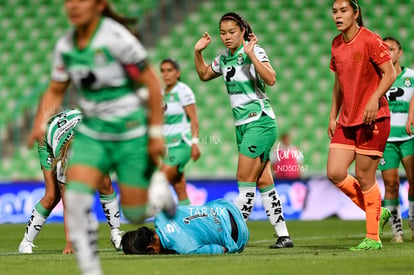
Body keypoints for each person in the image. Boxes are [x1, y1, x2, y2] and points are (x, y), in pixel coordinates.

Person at [27, 1, 174, 274]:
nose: (72, 5)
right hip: (91, 133)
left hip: (125, 130)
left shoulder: (118, 39)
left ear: (99, 5)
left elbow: (152, 83)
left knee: (136, 211)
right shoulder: (66, 46)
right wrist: (38, 123)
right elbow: (56, 89)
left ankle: (159, 192)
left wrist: (155, 133)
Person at [194, 12, 293, 249]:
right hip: (242, 125)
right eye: (223, 33)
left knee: (243, 179)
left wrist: (251, 55)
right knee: (263, 182)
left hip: (259, 121)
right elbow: (204, 74)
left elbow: (271, 79)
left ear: (242, 31)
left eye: (232, 32)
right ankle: (284, 236)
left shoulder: (253, 51)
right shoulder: (223, 59)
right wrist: (198, 53)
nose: (226, 37)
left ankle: (235, 236)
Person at [327, 0, 397, 250]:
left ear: (356, 13)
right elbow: (338, 84)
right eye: (334, 11)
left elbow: (390, 74)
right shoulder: (336, 44)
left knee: (365, 176)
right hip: (347, 119)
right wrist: (332, 115)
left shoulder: (370, 39)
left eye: (343, 11)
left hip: (373, 118)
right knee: (335, 172)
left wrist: (373, 99)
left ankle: (373, 238)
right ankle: (378, 212)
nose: (338, 16)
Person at [19, 109, 123, 254]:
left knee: (104, 184)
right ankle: (26, 242)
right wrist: (70, 243)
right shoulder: (65, 165)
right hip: (46, 132)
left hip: (75, 117)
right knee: (52, 196)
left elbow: (108, 187)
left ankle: (116, 234)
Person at [378, 37, 414, 243]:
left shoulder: (411, 76)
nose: (387, 53)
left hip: (410, 137)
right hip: (387, 139)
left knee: (413, 180)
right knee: (390, 184)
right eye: (384, 50)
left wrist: (411, 114)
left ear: (399, 53)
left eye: (390, 49)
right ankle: (397, 231)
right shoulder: (378, 78)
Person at [121, 199, 248, 254]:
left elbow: (222, 249)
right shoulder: (160, 215)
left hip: (240, 235)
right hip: (224, 206)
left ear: (150, 248)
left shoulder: (184, 248)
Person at [160, 58, 201, 206]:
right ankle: (188, 223)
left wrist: (195, 143)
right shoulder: (161, 94)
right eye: (163, 71)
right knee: (179, 188)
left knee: (160, 181)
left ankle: (163, 223)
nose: (165, 74)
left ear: (177, 73)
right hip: (168, 147)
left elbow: (194, 119)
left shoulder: (183, 91)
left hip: (182, 144)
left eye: (169, 70)